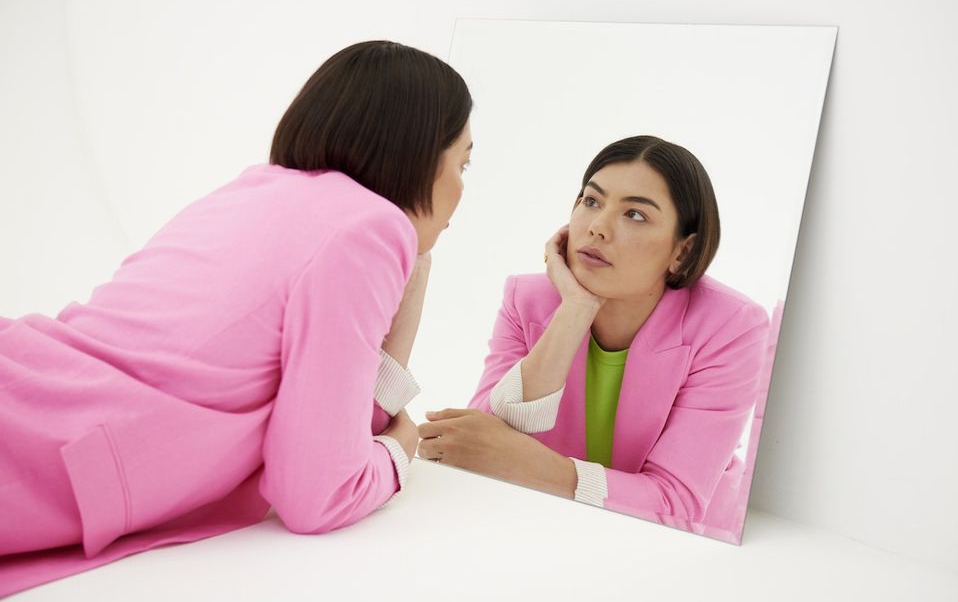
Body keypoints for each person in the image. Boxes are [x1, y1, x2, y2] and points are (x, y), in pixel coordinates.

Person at [0, 40, 472, 596]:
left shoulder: (256, 191)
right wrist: (398, 453)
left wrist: (415, 268)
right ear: (419, 155)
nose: (463, 189)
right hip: (41, 446)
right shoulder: (368, 228)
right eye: (462, 163)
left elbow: (335, 422)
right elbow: (320, 491)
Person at [418, 135, 769, 542]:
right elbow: (478, 447)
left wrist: (540, 468)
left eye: (635, 214)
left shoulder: (731, 326)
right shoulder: (527, 299)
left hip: (680, 547)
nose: (597, 227)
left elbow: (675, 502)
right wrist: (575, 310)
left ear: (683, 252)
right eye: (591, 201)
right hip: (550, 528)